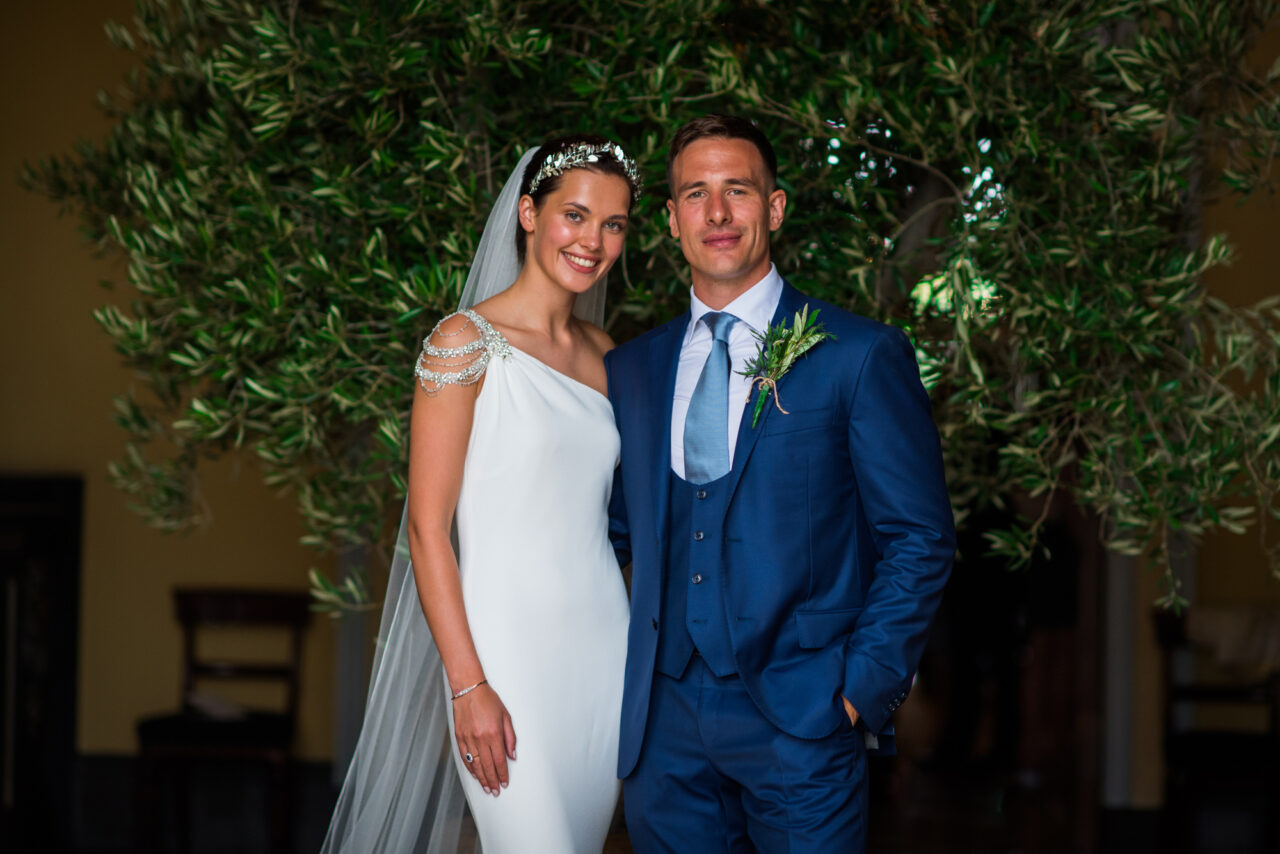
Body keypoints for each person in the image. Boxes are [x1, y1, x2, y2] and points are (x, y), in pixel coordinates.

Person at [604, 115, 955, 852]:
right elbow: (607, 534)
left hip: (804, 721)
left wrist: (858, 692)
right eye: (696, 194)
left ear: (775, 206)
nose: (719, 213)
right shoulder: (632, 370)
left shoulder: (858, 355)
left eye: (739, 189)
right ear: (671, 220)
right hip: (663, 736)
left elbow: (919, 539)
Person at [321, 135, 642, 853]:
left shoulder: (609, 353)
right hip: (505, 657)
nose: (594, 241)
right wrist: (468, 686)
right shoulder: (462, 343)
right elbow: (428, 529)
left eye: (614, 224)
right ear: (529, 213)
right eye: (576, 215)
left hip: (602, 655)